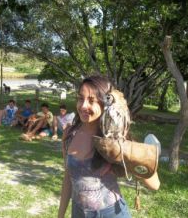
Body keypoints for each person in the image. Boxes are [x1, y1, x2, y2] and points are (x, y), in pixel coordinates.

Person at [58, 76, 160, 218]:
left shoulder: (113, 140)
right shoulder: (69, 134)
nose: (83, 106)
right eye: (81, 98)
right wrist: (60, 214)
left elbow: (154, 185)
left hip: (111, 213)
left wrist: (125, 152)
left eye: (92, 100)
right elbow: (68, 177)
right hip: (78, 212)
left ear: (104, 103)